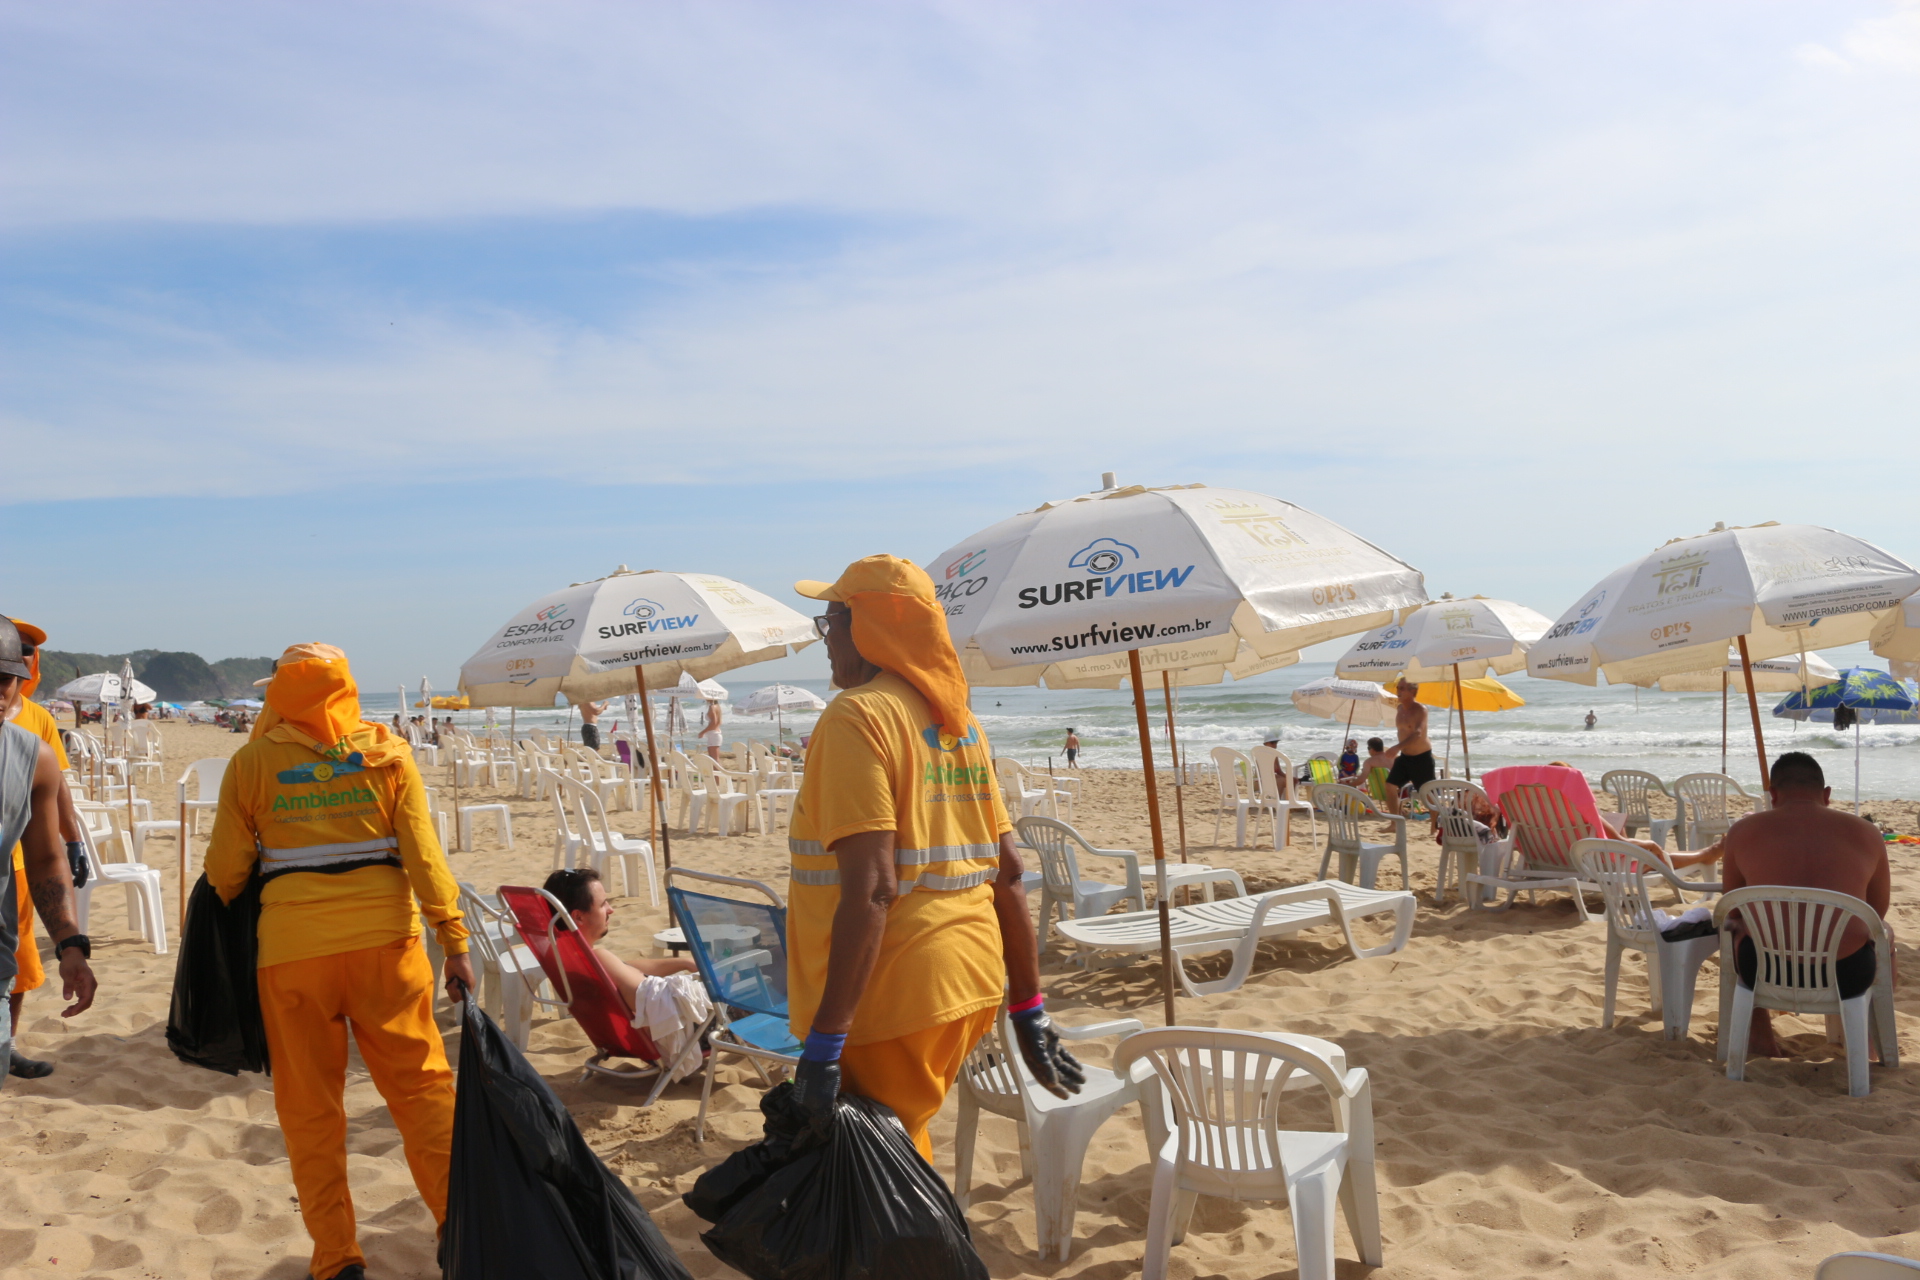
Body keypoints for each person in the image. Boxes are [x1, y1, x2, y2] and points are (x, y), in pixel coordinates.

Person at [786, 555, 1081, 1160]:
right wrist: (1028, 1009)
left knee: (884, 1171)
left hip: (893, 989)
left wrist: (823, 1045)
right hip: (970, 977)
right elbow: (1010, 872)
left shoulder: (858, 715)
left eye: (832, 620)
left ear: (870, 627)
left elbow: (872, 890)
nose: (826, 637)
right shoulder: (961, 722)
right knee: (895, 1146)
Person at [205, 643, 473, 1280]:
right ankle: (455, 1225)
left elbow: (225, 873)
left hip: (294, 957)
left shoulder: (250, 763)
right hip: (390, 949)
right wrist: (455, 940)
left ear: (281, 694)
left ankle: (336, 1258)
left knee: (310, 1111)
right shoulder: (389, 754)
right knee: (424, 1093)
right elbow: (425, 860)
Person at [1719, 751, 1888, 1059]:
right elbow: (1877, 910)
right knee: (1882, 935)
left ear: (1773, 793)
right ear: (1826, 794)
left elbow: (1732, 910)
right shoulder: (1867, 832)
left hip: (1765, 969)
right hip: (1847, 973)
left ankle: (1759, 1039)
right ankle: (1867, 1044)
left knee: (1735, 931)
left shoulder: (1741, 832)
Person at [0, 616, 99, 1092]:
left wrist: (70, 944)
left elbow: (42, 857)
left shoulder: (30, 753)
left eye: (4, 680)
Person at [542, 867, 694, 1009]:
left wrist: (684, 962)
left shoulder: (567, 958)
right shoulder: (598, 959)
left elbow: (624, 968)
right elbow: (659, 1004)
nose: (611, 909)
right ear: (578, 916)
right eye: (603, 904)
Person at [1382, 678, 1433, 811]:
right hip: (1405, 757)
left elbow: (1418, 733)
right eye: (1398, 688)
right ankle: (1394, 822)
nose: (1398, 691)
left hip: (1421, 758)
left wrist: (1397, 747)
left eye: (1402, 688)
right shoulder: (1399, 708)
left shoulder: (1420, 710)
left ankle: (1436, 824)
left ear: (1413, 691)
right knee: (1390, 785)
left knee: (1427, 794)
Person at [697, 696, 723, 761]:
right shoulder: (717, 706)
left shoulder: (712, 707)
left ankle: (718, 771)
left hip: (713, 734)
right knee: (714, 760)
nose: (705, 698)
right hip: (715, 734)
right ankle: (717, 770)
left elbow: (714, 723)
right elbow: (719, 722)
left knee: (714, 760)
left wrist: (703, 732)